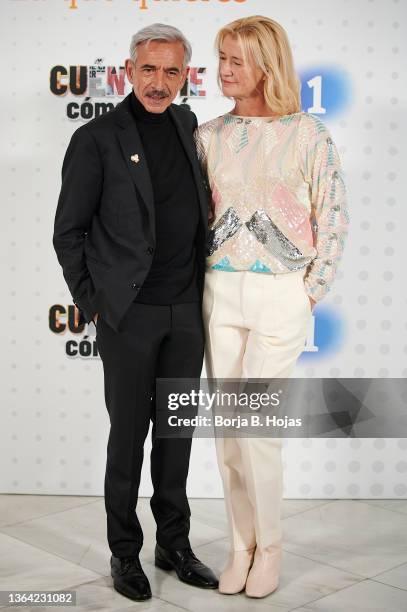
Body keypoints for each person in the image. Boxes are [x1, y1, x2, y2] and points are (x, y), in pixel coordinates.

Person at [53, 23, 218, 602]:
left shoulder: (188, 125)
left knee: (177, 436)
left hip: (186, 312)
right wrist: (95, 304)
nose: (159, 81)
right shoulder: (96, 137)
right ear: (129, 70)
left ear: (185, 76)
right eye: (149, 69)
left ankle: (174, 545)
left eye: (172, 71)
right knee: (127, 438)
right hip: (130, 316)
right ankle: (126, 555)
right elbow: (68, 232)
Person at [195, 15, 349, 599]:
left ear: (266, 63)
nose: (224, 71)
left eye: (236, 60)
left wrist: (309, 291)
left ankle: (272, 550)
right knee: (229, 434)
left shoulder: (308, 135)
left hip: (281, 294)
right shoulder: (206, 136)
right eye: (221, 59)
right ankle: (241, 546)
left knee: (258, 430)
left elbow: (333, 216)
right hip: (217, 291)